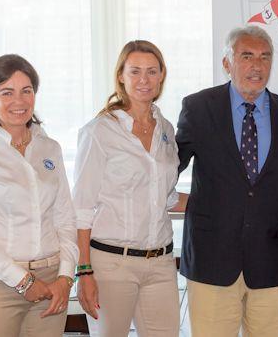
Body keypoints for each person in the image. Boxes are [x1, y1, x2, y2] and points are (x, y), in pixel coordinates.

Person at [175, 25, 278, 337]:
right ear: (227, 63)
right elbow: (168, 168)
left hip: (272, 265)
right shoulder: (198, 108)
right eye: (247, 56)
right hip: (211, 262)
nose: (257, 65)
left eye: (265, 57)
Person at [0, 54, 78, 336]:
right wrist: (23, 281)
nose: (19, 101)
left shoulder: (50, 148)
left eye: (27, 91)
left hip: (51, 283)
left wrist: (66, 276)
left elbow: (65, 219)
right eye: (6, 92)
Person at [73, 40, 186, 336]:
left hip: (161, 263)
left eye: (151, 71)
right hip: (111, 264)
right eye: (135, 71)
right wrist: (83, 271)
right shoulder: (99, 131)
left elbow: (166, 197)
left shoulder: (166, 129)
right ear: (121, 76)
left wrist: (223, 200)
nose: (144, 80)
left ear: (162, 75)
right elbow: (81, 209)